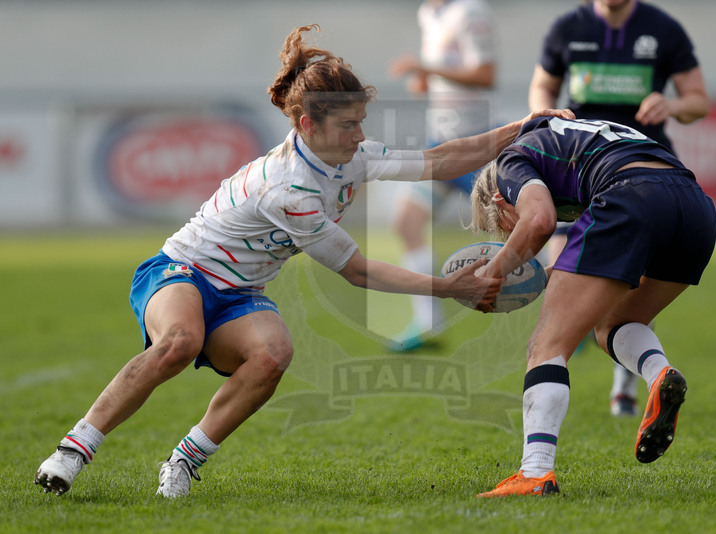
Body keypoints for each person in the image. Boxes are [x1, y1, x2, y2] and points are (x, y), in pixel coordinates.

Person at [33, 24, 572, 498]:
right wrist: (448, 287)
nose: (360, 135)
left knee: (273, 355)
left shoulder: (352, 156)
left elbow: (438, 160)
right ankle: (73, 450)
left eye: (361, 122)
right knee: (179, 342)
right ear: (308, 125)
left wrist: (523, 126)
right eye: (349, 125)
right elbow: (358, 271)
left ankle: (184, 461)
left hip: (241, 292)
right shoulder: (288, 189)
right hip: (182, 272)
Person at [468, 115, 716, 497]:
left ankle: (535, 473)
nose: (507, 235)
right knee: (614, 323)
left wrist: (493, 273)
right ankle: (659, 374)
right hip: (694, 206)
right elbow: (589, 258)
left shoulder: (510, 163)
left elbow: (538, 221)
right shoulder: (578, 143)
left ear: (499, 200)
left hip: (631, 195)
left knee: (546, 345)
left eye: (503, 227)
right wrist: (539, 275)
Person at [528, 0, 710, 416]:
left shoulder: (662, 28)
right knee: (563, 275)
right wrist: (544, 115)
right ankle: (566, 371)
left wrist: (672, 105)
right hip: (578, 171)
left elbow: (698, 100)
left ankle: (622, 389)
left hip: (642, 173)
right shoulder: (568, 28)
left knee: (635, 283)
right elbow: (542, 87)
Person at [387, 0, 496, 350]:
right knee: (407, 221)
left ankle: (574, 307)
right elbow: (443, 74)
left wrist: (427, 69)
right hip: (441, 143)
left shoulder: (471, 11)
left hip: (475, 145)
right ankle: (428, 324)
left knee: (523, 230)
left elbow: (485, 75)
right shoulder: (428, 14)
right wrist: (426, 80)